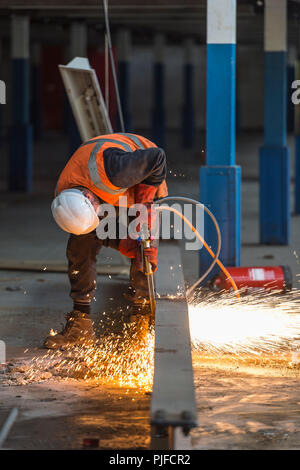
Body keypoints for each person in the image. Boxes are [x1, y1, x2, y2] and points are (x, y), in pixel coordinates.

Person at [44, 133, 167, 349]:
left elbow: (158, 158)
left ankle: (142, 320)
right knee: (79, 245)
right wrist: (121, 243)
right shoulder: (66, 199)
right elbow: (93, 229)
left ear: (88, 198)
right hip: (108, 189)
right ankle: (80, 324)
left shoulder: (115, 170)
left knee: (143, 248)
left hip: (145, 174)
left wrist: (145, 203)